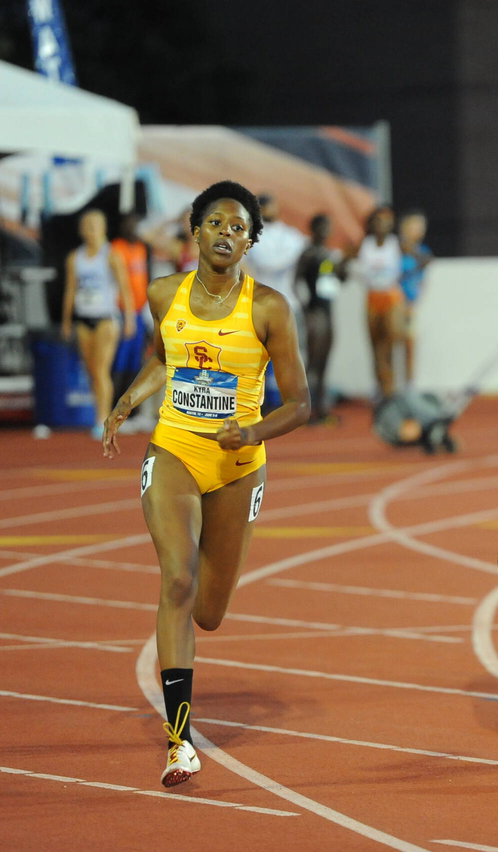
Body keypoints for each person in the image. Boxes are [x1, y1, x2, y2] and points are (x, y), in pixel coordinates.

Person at [101, 180, 310, 787]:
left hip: (240, 464)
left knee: (211, 612)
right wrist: (126, 403)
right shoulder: (164, 293)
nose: (226, 233)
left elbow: (299, 404)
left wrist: (251, 433)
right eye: (215, 222)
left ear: (250, 242)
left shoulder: (269, 307)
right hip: (175, 447)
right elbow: (165, 357)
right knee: (178, 578)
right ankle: (179, 740)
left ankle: (189, 666)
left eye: (238, 227)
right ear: (194, 231)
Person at [62, 209, 136, 439]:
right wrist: (66, 321)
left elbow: (125, 287)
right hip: (84, 318)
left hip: (106, 318)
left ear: (103, 229)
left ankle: (103, 418)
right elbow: (71, 289)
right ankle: (99, 413)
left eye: (94, 226)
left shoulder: (111, 255)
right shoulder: (75, 258)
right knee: (91, 370)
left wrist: (129, 318)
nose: (90, 231)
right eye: (87, 226)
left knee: (102, 369)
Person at [349, 205, 403, 399]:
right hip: (372, 297)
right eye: (378, 221)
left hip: (391, 297)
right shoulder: (365, 244)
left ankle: (391, 386)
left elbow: (422, 257)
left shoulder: (396, 243)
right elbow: (346, 259)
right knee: (375, 346)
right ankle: (380, 387)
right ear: (372, 224)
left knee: (389, 345)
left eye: (387, 221)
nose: (382, 225)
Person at [295, 214, 342, 422]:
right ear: (313, 230)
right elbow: (296, 282)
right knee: (312, 362)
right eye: (323, 227)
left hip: (328, 310)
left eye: (328, 227)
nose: (326, 232)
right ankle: (302, 409)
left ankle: (322, 408)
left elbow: (339, 279)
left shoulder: (330, 255)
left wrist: (344, 265)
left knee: (324, 361)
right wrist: (306, 309)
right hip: (314, 311)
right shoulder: (308, 254)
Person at [110, 214, 155, 432]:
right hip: (121, 311)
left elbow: (146, 277)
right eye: (129, 225)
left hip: (140, 310)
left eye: (136, 225)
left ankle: (133, 412)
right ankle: (114, 411)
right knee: (118, 363)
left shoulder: (141, 248)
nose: (133, 229)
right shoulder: (116, 248)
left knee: (136, 364)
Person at [398, 209, 433, 389]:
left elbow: (422, 281)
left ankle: (409, 384)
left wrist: (414, 301)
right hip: (394, 303)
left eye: (421, 227)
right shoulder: (396, 250)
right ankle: (386, 385)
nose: (419, 231)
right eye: (415, 226)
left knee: (410, 344)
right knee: (389, 345)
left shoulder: (423, 252)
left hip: (411, 305)